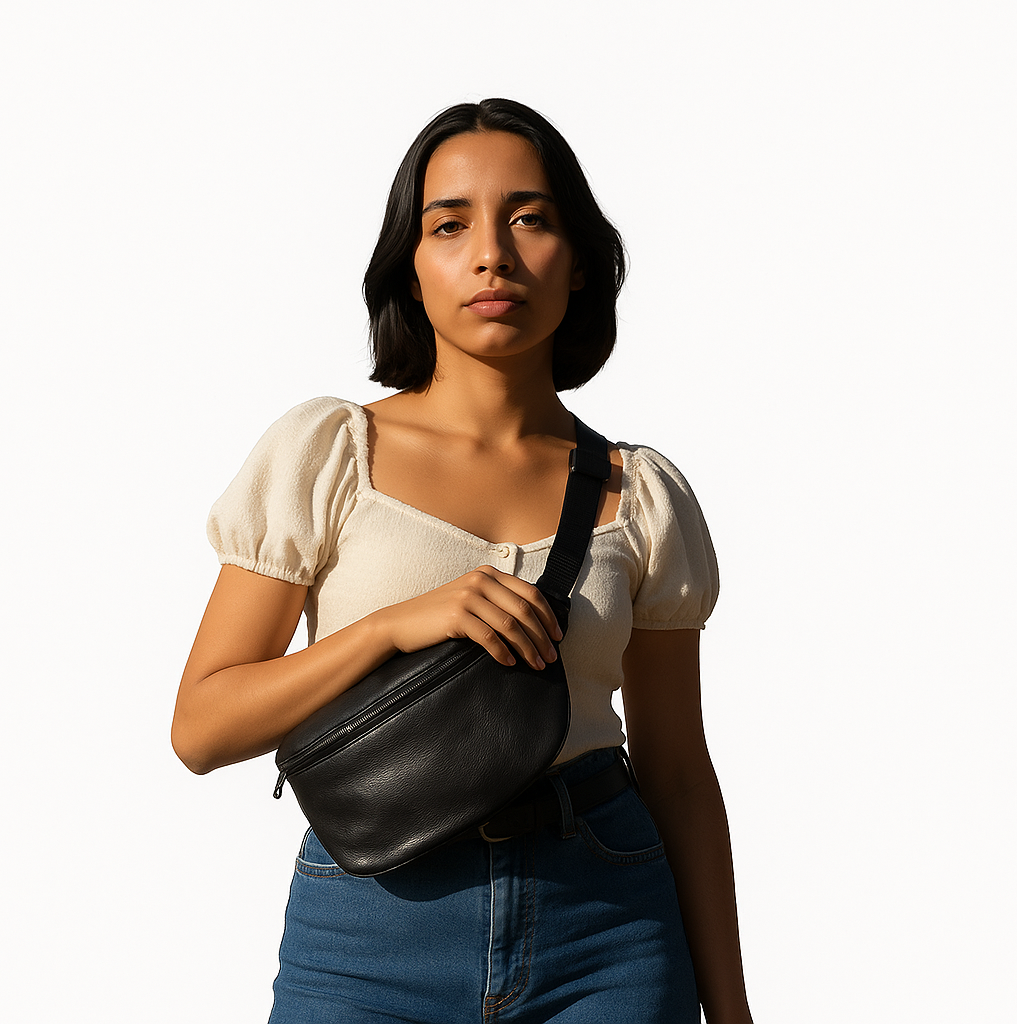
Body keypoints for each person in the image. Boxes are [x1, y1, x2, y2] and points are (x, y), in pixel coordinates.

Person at [172, 98, 754, 1024]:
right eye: (451, 224)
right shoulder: (329, 454)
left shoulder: (641, 496)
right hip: (368, 928)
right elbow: (201, 729)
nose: (494, 253)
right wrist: (395, 625)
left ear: (582, 259)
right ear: (412, 263)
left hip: (606, 925)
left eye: (530, 217)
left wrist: (730, 1009)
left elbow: (679, 770)